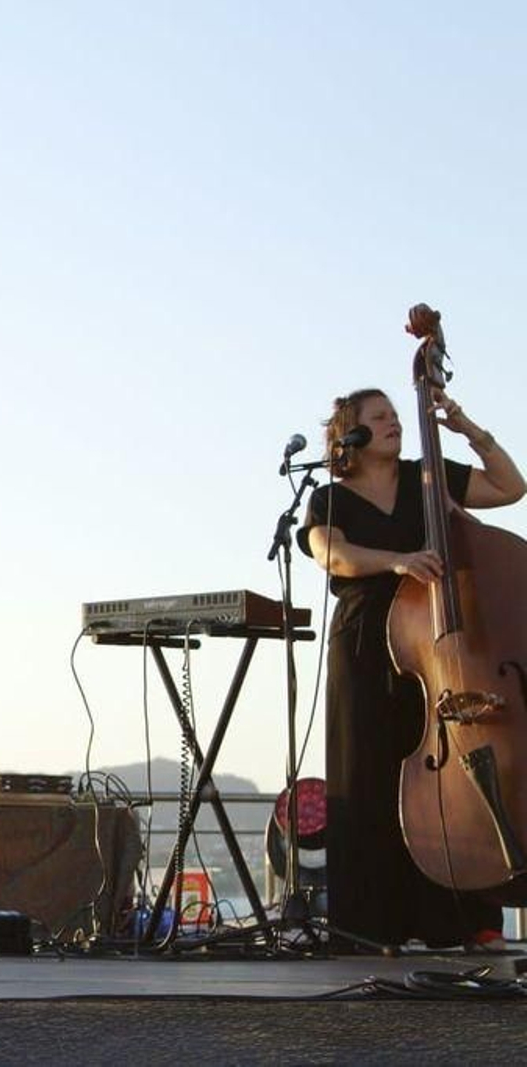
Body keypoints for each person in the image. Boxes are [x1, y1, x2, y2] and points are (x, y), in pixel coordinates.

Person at [299, 372, 525, 950]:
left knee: (453, 780)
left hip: (442, 646)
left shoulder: (427, 475)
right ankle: (372, 926)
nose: (393, 422)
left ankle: (464, 918)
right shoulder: (330, 497)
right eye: (377, 418)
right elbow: (333, 553)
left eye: (394, 413)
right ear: (349, 436)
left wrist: (468, 428)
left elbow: (510, 488)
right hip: (366, 642)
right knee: (371, 776)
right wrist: (397, 561)